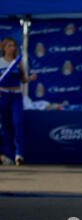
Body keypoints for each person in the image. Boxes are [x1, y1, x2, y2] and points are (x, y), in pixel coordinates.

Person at [0, 37, 37, 166]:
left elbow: (23, 80)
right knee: (5, 126)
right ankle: (7, 154)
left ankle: (18, 154)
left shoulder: (19, 62)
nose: (12, 48)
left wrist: (30, 78)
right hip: (3, 95)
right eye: (9, 45)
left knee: (18, 123)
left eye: (13, 45)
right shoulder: (0, 62)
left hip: (16, 96)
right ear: (4, 48)